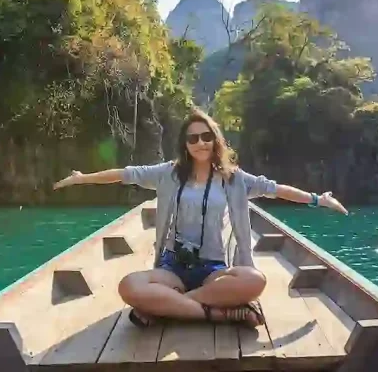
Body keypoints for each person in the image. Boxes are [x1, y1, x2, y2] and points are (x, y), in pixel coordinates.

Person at [53, 108, 348, 329]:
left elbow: (276, 189)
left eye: (206, 136)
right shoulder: (168, 173)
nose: (201, 143)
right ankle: (217, 312)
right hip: (173, 266)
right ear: (185, 143)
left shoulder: (234, 180)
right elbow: (126, 174)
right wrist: (82, 178)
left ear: (215, 139)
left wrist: (317, 200)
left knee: (253, 280)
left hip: (213, 269)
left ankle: (166, 307)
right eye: (193, 138)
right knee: (129, 286)